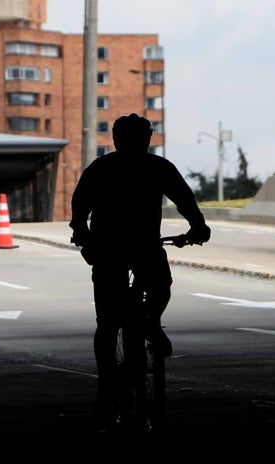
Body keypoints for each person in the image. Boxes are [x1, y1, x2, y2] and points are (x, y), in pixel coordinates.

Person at [70, 113, 211, 412]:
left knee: (107, 323)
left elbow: (79, 204)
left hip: (108, 248)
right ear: (147, 138)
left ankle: (107, 383)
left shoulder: (101, 168)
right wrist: (197, 227)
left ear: (115, 139)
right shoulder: (158, 167)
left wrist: (81, 233)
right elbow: (185, 200)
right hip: (143, 246)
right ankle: (150, 324)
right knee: (160, 287)